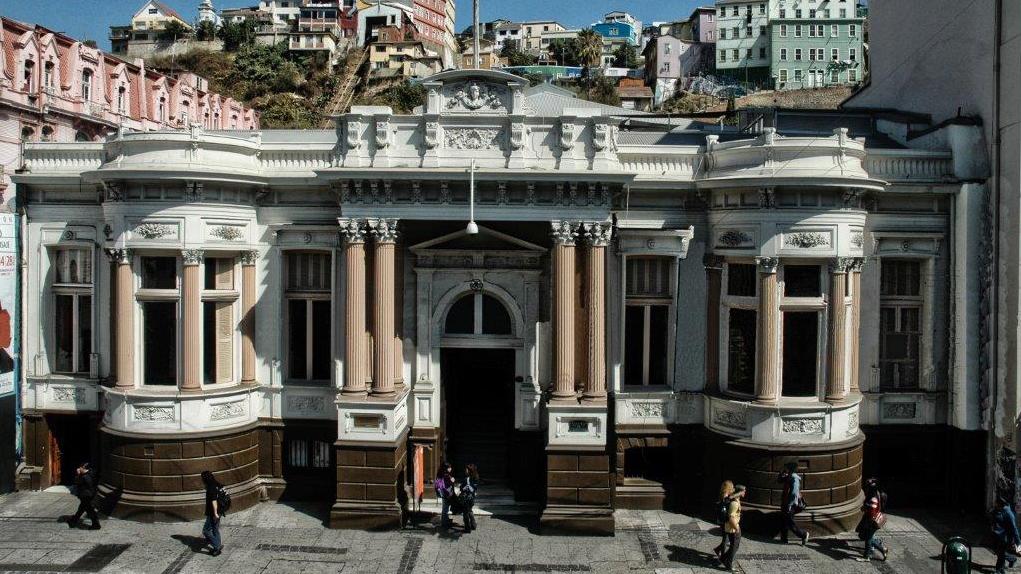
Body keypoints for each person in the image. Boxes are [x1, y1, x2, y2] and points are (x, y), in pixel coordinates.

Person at [855, 477, 889, 562]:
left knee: (868, 538)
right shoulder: (876, 493)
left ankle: (866, 556)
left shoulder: (873, 497)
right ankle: (882, 549)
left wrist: (865, 508)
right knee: (867, 537)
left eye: (867, 487)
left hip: (871, 521)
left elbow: (872, 512)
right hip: (872, 520)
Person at [778, 462, 809, 545]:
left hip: (790, 505)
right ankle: (784, 539)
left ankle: (804, 535)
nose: (785, 469)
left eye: (786, 468)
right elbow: (779, 480)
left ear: (790, 469)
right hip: (786, 503)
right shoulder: (789, 476)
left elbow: (794, 493)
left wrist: (790, 504)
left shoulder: (794, 478)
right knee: (784, 520)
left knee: (790, 524)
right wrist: (781, 473)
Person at [992, 495, 1021, 573]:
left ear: (1000, 504)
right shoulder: (999, 510)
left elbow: (1014, 528)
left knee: (1000, 554)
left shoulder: (1008, 513)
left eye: (996, 503)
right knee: (999, 553)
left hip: (1005, 538)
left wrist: (1018, 543)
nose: (994, 504)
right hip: (998, 536)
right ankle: (1002, 568)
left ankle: (999, 570)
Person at [721, 484, 746, 571]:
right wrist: (737, 528)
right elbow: (731, 518)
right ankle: (729, 564)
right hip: (733, 528)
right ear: (740, 492)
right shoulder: (734, 503)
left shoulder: (736, 501)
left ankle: (723, 558)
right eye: (744, 491)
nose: (745, 493)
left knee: (734, 546)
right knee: (734, 546)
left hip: (733, 527)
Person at [68, 462, 100, 530]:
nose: (79, 469)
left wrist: (78, 474)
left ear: (83, 468)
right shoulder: (91, 474)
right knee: (81, 508)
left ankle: (96, 525)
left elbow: (77, 482)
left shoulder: (85, 477)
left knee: (90, 510)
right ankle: (74, 520)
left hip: (86, 496)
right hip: (89, 495)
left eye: (80, 468)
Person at [201, 471, 224, 556]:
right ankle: (218, 545)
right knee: (215, 529)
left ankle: (217, 546)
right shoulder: (216, 484)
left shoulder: (211, 487)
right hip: (220, 511)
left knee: (206, 530)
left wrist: (215, 514)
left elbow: (214, 501)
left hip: (213, 513)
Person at [713, 480, 735, 561]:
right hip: (724, 521)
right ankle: (722, 556)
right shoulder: (725, 498)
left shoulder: (722, 495)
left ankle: (718, 550)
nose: (733, 490)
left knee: (726, 538)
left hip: (721, 520)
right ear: (728, 489)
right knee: (726, 539)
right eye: (732, 488)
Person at [434, 462, 456, 528]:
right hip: (447, 493)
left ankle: (446, 520)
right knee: (445, 509)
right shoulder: (446, 475)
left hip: (444, 493)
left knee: (445, 507)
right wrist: (452, 480)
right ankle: (444, 523)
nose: (450, 468)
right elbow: (452, 481)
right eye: (449, 467)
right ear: (446, 468)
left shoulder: (440, 473)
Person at [460, 464, 479, 533]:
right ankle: (473, 525)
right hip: (472, 498)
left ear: (469, 471)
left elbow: (461, 488)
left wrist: (464, 487)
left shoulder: (467, 479)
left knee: (465, 513)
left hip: (466, 498)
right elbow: (475, 488)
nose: (465, 470)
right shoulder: (476, 477)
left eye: (467, 469)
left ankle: (467, 528)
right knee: (470, 510)